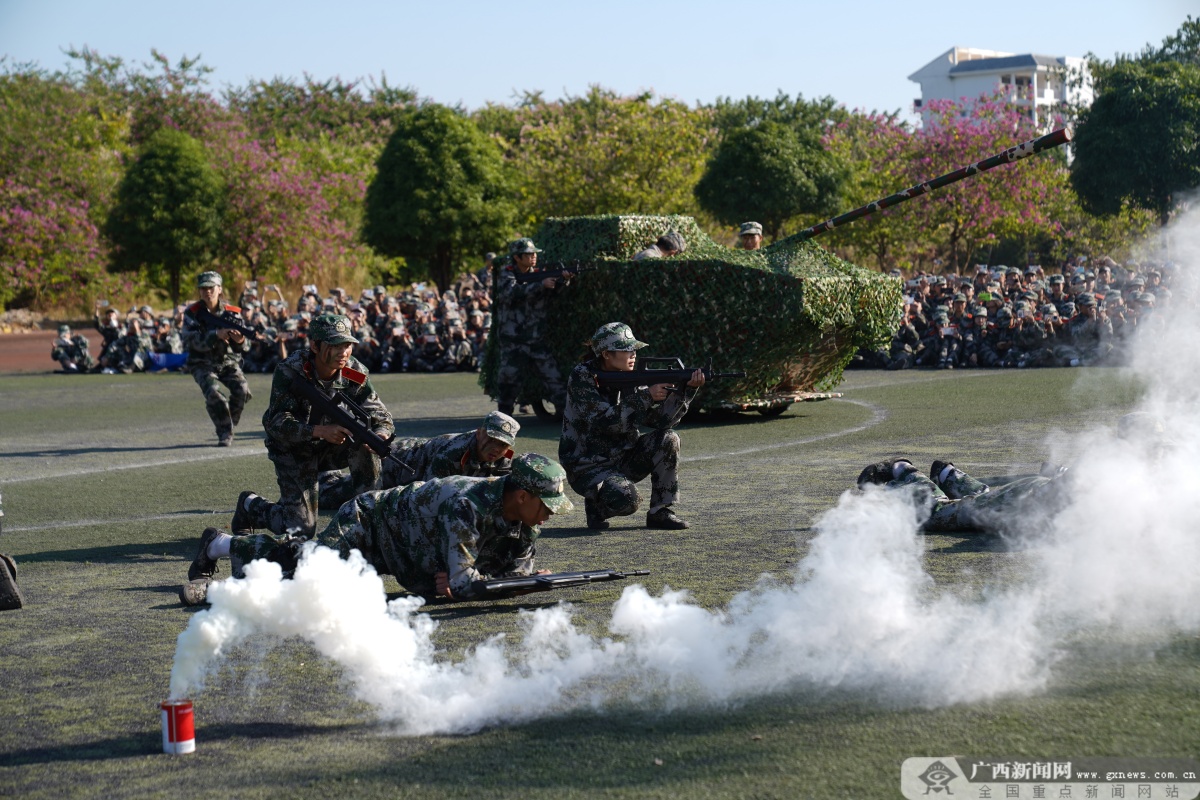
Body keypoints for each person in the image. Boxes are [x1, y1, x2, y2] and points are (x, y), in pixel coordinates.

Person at [181, 453, 572, 605]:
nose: (551, 514)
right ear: (521, 495)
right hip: (370, 523)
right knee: (305, 571)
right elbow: (469, 584)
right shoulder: (468, 504)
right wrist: (466, 581)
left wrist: (519, 581)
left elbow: (509, 576)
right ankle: (219, 568)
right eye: (546, 504)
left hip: (409, 553)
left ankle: (223, 548)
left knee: (310, 574)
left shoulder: (526, 522)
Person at [230, 313, 393, 538]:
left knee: (367, 441)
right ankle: (251, 506)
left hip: (334, 445)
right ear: (315, 346)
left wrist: (382, 434)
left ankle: (371, 521)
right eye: (335, 345)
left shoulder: (354, 372)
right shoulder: (290, 370)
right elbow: (275, 422)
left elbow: (378, 412)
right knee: (301, 530)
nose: (343, 352)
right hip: (294, 450)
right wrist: (318, 431)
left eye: (347, 345)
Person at [560, 322, 705, 531]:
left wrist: (686, 392)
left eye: (634, 349)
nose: (633, 354)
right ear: (606, 354)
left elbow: (660, 422)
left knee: (668, 438)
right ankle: (597, 506)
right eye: (627, 349)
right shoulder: (583, 377)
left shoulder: (632, 377)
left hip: (623, 457)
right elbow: (604, 422)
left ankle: (660, 511)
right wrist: (646, 396)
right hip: (587, 466)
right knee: (627, 499)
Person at [313, 411, 521, 510]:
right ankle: (324, 475)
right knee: (337, 496)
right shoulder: (452, 453)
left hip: (416, 468)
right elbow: (432, 495)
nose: (496, 448)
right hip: (400, 464)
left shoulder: (504, 459)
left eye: (503, 445)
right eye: (491, 440)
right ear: (479, 433)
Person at [494, 238, 571, 416]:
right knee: (508, 383)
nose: (534, 257)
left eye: (534, 254)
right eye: (529, 254)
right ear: (517, 257)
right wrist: (540, 284)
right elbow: (509, 293)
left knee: (554, 379)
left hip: (536, 338)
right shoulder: (507, 274)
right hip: (513, 340)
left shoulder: (538, 273)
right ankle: (502, 419)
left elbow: (552, 294)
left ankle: (565, 415)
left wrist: (563, 280)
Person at [181, 271, 253, 446]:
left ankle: (227, 423)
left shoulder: (233, 313)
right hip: (201, 363)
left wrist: (240, 340)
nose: (208, 292)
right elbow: (189, 340)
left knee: (242, 390)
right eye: (203, 288)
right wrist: (215, 335)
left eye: (211, 288)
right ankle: (224, 432)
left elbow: (246, 345)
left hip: (228, 362)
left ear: (219, 289)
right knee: (215, 394)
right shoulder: (192, 313)